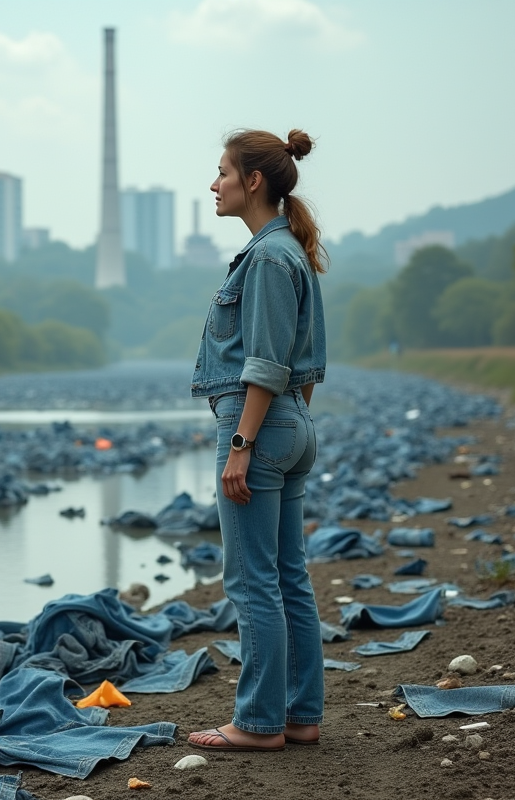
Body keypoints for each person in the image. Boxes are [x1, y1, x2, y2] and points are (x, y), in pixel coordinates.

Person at [187, 128, 327, 752]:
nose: (212, 184)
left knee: (251, 580)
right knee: (288, 575)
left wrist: (243, 444)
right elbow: (310, 361)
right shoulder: (288, 249)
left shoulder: (269, 257)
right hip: (291, 424)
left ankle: (259, 722)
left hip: (258, 425)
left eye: (221, 172)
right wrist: (289, 426)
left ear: (253, 182)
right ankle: (299, 715)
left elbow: (265, 362)